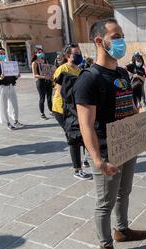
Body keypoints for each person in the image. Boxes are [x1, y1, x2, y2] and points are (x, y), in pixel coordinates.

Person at [74, 18, 146, 249]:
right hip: (107, 151)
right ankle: (105, 246)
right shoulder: (89, 79)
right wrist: (97, 159)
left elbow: (128, 108)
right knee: (104, 202)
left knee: (125, 192)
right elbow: (86, 125)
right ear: (100, 41)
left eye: (121, 36)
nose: (121, 41)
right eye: (116, 36)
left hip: (126, 146)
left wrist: (143, 137)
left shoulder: (120, 73)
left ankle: (122, 230)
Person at [52, 43, 92, 181]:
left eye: (80, 52)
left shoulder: (80, 70)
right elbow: (59, 91)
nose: (79, 55)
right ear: (68, 55)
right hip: (62, 110)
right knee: (74, 137)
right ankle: (77, 169)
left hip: (75, 109)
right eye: (77, 53)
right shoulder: (62, 69)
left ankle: (86, 159)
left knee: (83, 133)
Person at [0, 47, 24, 130]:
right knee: (3, 106)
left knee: (15, 105)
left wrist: (16, 76)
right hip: (2, 88)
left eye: (3, 53)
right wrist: (0, 78)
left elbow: (12, 78)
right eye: (1, 54)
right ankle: (8, 123)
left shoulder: (8, 64)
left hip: (11, 86)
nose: (2, 55)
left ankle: (16, 121)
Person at [31, 48, 53, 119]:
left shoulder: (45, 61)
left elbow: (49, 70)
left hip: (48, 81)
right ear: (35, 54)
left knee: (49, 97)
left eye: (41, 52)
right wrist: (43, 77)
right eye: (38, 52)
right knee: (42, 98)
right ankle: (42, 113)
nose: (40, 53)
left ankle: (51, 111)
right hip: (40, 81)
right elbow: (34, 75)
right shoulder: (34, 63)